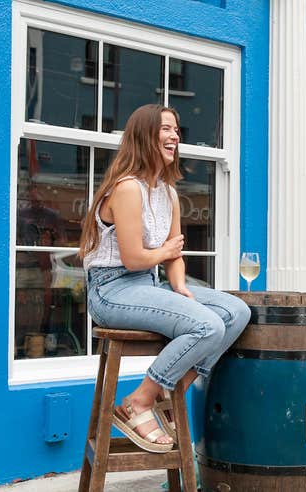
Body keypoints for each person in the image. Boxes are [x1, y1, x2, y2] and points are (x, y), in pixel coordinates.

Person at [78, 104, 250, 453]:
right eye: (166, 129)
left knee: (236, 312)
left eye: (176, 130)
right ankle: (139, 401)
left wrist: (180, 286)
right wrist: (167, 252)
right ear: (145, 136)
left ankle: (170, 394)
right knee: (208, 326)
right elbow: (134, 258)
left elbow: (175, 256)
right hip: (111, 290)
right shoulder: (127, 188)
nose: (175, 136)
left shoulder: (168, 193)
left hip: (147, 283)